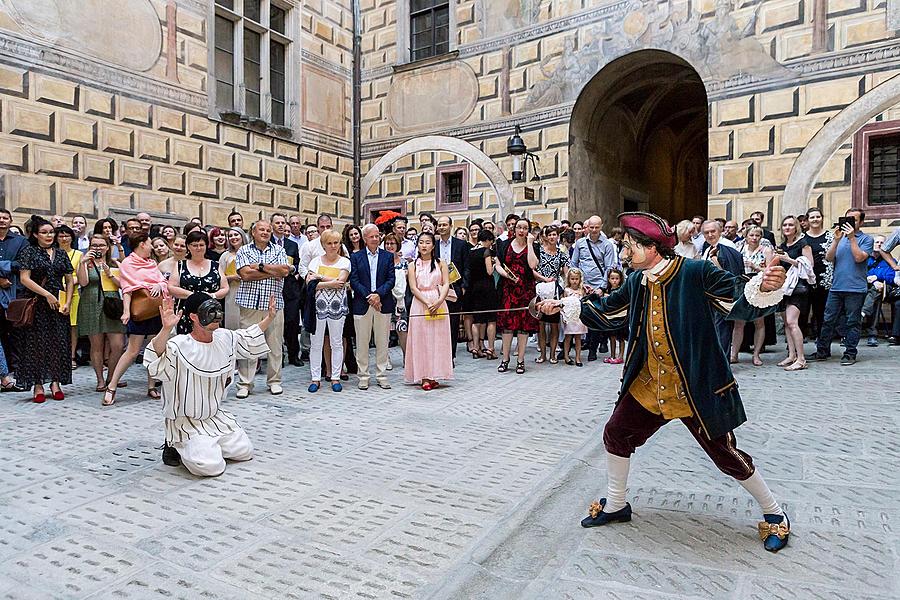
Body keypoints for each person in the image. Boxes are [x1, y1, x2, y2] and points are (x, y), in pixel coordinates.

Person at [539, 211, 792, 553]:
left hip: (695, 386)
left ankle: (775, 513)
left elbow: (737, 299)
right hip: (648, 385)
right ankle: (616, 504)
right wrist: (564, 306)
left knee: (726, 454)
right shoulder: (636, 281)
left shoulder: (695, 272)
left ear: (652, 247)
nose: (625, 251)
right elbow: (608, 311)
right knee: (616, 433)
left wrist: (763, 286)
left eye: (629, 245)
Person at [147, 293, 275, 477]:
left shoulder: (224, 337)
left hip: (214, 417)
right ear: (193, 316)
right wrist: (166, 329)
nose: (216, 316)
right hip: (186, 420)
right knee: (209, 467)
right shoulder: (180, 344)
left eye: (217, 310)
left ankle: (206, 444)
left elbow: (247, 336)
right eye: (210, 310)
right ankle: (176, 445)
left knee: (244, 452)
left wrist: (269, 318)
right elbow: (156, 359)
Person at [104, 232, 168, 405]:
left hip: (156, 309)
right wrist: (126, 311)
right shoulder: (128, 263)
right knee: (132, 351)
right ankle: (112, 386)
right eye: (149, 243)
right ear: (141, 244)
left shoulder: (152, 263)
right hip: (139, 309)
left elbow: (163, 282)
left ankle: (151, 385)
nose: (152, 247)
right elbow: (127, 289)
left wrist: (158, 285)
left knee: (155, 349)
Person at [16, 216, 75, 403]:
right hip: (37, 303)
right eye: (44, 232)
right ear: (35, 234)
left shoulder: (61, 253)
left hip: (58, 305)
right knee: (36, 344)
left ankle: (55, 382)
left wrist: (68, 302)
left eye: (51, 232)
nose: (49, 235)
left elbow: (70, 279)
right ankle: (38, 384)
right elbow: (25, 278)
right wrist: (46, 294)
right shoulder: (29, 252)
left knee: (58, 343)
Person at [808, 208, 874, 366]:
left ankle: (850, 353)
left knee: (852, 322)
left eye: (854, 220)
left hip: (855, 289)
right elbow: (828, 258)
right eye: (847, 219)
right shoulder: (839, 238)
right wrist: (837, 240)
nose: (850, 223)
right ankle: (822, 351)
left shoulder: (867, 239)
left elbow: (859, 258)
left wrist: (852, 239)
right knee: (828, 320)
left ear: (861, 222)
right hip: (836, 287)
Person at [234, 220, 290, 397]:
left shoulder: (279, 250)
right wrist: (272, 271)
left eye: (268, 230)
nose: (265, 232)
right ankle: (245, 383)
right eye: (262, 230)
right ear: (253, 232)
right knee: (248, 344)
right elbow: (244, 274)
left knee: (275, 345)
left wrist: (258, 267)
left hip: (273, 304)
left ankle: (274, 381)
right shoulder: (243, 250)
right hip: (249, 304)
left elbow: (284, 272)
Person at [349, 224, 396, 390]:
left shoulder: (387, 256)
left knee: (382, 342)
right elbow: (354, 280)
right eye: (371, 236)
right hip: (363, 304)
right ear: (364, 238)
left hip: (383, 303)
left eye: (377, 236)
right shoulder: (356, 257)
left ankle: (381, 375)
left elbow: (391, 280)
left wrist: (378, 295)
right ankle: (363, 376)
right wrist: (370, 296)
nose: (375, 239)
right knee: (362, 343)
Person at [404, 232, 453, 390]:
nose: (424, 245)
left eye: (427, 242)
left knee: (438, 338)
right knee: (421, 339)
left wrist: (439, 301)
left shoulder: (441, 263)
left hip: (439, 302)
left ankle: (434, 374)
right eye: (421, 242)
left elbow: (446, 283)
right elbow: (413, 287)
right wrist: (427, 302)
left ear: (433, 245)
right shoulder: (412, 265)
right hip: (420, 303)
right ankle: (423, 376)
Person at [77, 234, 125, 392]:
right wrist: (83, 262)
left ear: (107, 247)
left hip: (112, 303)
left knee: (118, 345)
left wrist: (109, 273)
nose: (98, 248)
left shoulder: (113, 262)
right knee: (96, 345)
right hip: (90, 302)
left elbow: (123, 285)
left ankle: (112, 377)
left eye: (101, 245)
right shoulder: (85, 262)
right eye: (94, 245)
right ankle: (100, 380)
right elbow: (83, 282)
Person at [305, 229, 351, 393]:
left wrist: (320, 278)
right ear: (323, 244)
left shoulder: (344, 262)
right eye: (329, 243)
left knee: (336, 342)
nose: (333, 246)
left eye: (336, 243)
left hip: (338, 307)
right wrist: (329, 282)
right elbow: (310, 284)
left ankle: (335, 377)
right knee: (316, 343)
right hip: (317, 307)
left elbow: (342, 281)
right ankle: (315, 378)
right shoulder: (315, 261)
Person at [571, 215, 619, 360]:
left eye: (596, 227)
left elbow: (610, 267)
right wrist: (580, 283)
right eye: (591, 227)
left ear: (601, 227)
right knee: (584, 315)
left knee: (596, 317)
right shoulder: (580, 243)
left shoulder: (607, 245)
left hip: (598, 286)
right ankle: (590, 343)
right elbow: (574, 264)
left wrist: (602, 287)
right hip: (583, 286)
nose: (593, 230)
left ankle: (594, 348)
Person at [494, 218, 538, 374]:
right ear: (514, 228)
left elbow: (533, 265)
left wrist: (531, 244)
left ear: (528, 231)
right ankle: (505, 359)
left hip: (526, 289)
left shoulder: (533, 246)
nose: (521, 230)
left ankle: (520, 360)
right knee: (507, 326)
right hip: (508, 289)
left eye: (525, 228)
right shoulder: (505, 244)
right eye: (519, 227)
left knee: (523, 327)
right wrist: (506, 275)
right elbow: (497, 265)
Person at [167, 230, 228, 335]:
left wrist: (212, 295)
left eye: (201, 245)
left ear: (206, 246)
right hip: (186, 312)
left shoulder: (215, 265)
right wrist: (194, 296)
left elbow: (225, 288)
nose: (198, 248)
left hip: (211, 312)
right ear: (188, 246)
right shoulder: (180, 265)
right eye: (195, 245)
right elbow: (171, 287)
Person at [775, 216, 814, 371]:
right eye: (784, 225)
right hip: (785, 287)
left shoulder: (803, 244)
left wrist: (788, 259)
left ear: (796, 227)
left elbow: (809, 265)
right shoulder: (782, 245)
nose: (787, 227)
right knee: (787, 324)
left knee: (792, 322)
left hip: (799, 287)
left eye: (791, 225)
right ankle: (791, 355)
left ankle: (801, 358)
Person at [701, 219, 744, 355]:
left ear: (720, 231)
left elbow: (730, 276)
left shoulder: (726, 247)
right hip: (712, 295)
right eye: (706, 232)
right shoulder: (709, 248)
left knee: (722, 329)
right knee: (716, 329)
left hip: (722, 296)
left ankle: (723, 363)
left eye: (713, 231)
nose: (710, 235)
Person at [732, 225, 772, 366]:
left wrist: (756, 267)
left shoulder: (766, 250)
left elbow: (769, 270)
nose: (754, 238)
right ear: (746, 236)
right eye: (752, 235)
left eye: (757, 236)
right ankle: (734, 354)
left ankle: (756, 354)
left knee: (759, 321)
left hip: (758, 285)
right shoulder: (739, 249)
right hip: (742, 284)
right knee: (739, 321)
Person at [435, 216, 470, 361]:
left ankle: (451, 355)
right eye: (439, 225)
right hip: (436, 288)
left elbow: (467, 266)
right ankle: (439, 354)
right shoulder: (433, 245)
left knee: (453, 322)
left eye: (444, 224)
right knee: (438, 321)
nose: (442, 227)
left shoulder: (461, 245)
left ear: (451, 226)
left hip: (455, 287)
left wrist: (464, 286)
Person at [271, 213, 303, 368]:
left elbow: (298, 263)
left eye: (283, 223)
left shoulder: (292, 245)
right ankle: (278, 356)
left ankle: (293, 355)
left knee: (292, 322)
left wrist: (294, 270)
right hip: (272, 288)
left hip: (290, 288)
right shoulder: (267, 243)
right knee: (275, 325)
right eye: (277, 223)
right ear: (272, 225)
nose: (281, 225)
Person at [534, 225, 568, 364]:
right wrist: (544, 279)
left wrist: (567, 288)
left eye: (555, 234)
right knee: (541, 324)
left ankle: (553, 354)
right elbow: (532, 270)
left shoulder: (562, 254)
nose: (552, 237)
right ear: (546, 237)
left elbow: (567, 272)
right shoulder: (539, 252)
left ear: (557, 236)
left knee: (554, 324)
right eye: (550, 235)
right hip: (540, 290)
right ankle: (542, 354)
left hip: (555, 291)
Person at [464, 229, 498, 359]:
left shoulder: (471, 252)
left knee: (476, 320)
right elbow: (489, 271)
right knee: (491, 319)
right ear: (488, 240)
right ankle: (490, 348)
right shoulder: (486, 251)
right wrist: (494, 264)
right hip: (487, 287)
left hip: (474, 288)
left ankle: (475, 347)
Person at [0, 209, 27, 375]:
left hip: (15, 293)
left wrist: (3, 266)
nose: (1, 220)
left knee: (16, 332)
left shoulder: (20, 241)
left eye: (5, 218)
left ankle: (18, 369)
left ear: (10, 221)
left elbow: (23, 263)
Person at [55, 225, 83, 369]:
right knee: (56, 325)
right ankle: (57, 356)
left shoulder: (78, 254)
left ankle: (71, 356)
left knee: (73, 326)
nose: (64, 239)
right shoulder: (52, 253)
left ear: (72, 237)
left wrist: (70, 283)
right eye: (60, 236)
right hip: (55, 293)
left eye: (67, 235)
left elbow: (79, 275)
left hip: (74, 293)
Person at [861, 235, 893, 346]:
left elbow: (891, 276)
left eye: (882, 242)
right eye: (877, 242)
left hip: (884, 289)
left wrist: (876, 277)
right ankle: (872, 334)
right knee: (875, 293)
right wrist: (873, 280)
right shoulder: (864, 258)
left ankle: (863, 315)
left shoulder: (889, 259)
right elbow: (860, 273)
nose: (879, 244)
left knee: (877, 291)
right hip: (865, 287)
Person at [804, 208, 829, 339]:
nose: (815, 219)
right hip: (806, 280)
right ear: (807, 220)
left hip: (824, 279)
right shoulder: (802, 237)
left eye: (818, 217)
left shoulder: (829, 236)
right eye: (812, 217)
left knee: (821, 313)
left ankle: (822, 345)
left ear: (822, 218)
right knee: (803, 313)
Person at [383, 233, 409, 359]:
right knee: (385, 330)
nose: (389, 246)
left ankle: (406, 356)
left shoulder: (404, 263)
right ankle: (385, 359)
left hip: (400, 300)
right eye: (387, 243)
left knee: (402, 328)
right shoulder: (380, 261)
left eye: (392, 243)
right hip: (385, 298)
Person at [221, 227, 248, 330]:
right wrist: (233, 277)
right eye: (230, 236)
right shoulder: (225, 255)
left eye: (236, 235)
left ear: (242, 236)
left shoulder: (249, 252)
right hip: (232, 292)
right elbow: (220, 277)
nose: (233, 238)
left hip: (248, 290)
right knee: (233, 323)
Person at [561, 267, 588, 366]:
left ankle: (578, 357)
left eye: (576, 279)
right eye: (572, 279)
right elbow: (563, 303)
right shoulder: (566, 290)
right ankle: (566, 356)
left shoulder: (582, 290)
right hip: (569, 317)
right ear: (569, 279)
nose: (574, 281)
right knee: (568, 337)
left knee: (578, 338)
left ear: (580, 279)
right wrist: (563, 316)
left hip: (579, 317)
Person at [603, 268, 627, 364]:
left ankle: (620, 356)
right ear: (609, 279)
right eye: (612, 278)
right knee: (611, 336)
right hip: (611, 317)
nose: (614, 280)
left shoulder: (622, 290)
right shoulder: (608, 290)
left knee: (621, 337)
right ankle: (612, 355)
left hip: (621, 317)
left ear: (620, 279)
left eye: (617, 278)